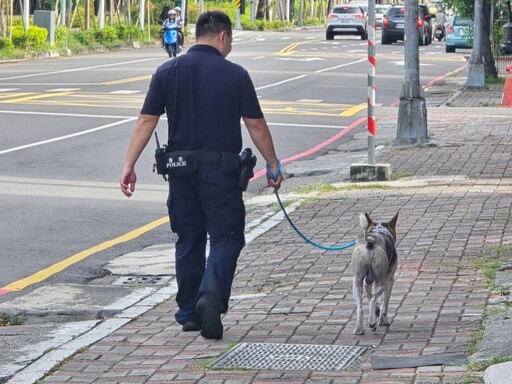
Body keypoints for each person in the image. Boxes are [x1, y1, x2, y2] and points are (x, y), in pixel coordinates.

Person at [119, 11, 283, 340]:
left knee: (189, 239)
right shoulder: (235, 75)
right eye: (231, 39)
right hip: (221, 174)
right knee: (227, 238)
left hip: (180, 172)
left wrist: (129, 165)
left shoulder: (166, 71)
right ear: (222, 36)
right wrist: (273, 164)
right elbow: (255, 125)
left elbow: (146, 121)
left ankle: (189, 313)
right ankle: (211, 293)